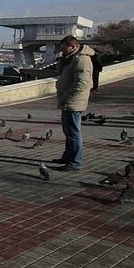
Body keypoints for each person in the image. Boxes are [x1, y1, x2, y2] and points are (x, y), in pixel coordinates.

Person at [52, 35, 94, 171]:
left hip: (73, 101)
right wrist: (62, 60)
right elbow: (60, 72)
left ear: (74, 47)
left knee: (74, 132)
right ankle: (68, 157)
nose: (62, 51)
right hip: (68, 101)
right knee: (68, 131)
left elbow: (82, 83)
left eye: (65, 48)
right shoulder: (71, 59)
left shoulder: (81, 60)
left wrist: (68, 96)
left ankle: (74, 162)